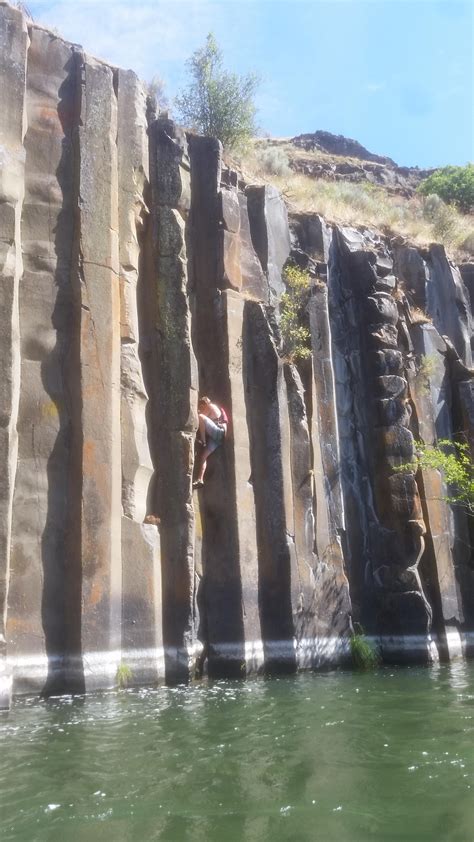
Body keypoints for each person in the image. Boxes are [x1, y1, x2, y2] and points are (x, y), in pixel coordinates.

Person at [193, 396, 228, 488]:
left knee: (200, 416)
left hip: (218, 431)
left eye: (201, 406)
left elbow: (200, 417)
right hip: (219, 438)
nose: (201, 408)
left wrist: (197, 411)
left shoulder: (210, 406)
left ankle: (203, 441)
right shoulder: (213, 407)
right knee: (203, 456)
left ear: (204, 403)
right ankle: (200, 479)